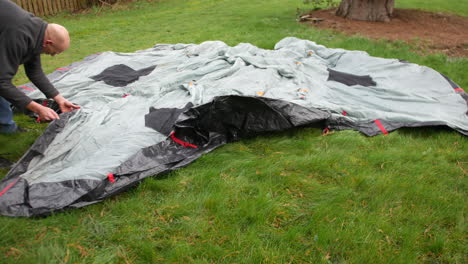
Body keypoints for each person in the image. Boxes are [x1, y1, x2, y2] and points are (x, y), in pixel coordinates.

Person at [0, 0, 79, 133]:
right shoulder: (18, 36)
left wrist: (59, 99)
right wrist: (38, 108)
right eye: (55, 52)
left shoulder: (37, 33)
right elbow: (1, 81)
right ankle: (7, 128)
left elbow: (34, 72)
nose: (53, 56)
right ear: (48, 42)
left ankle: (5, 124)